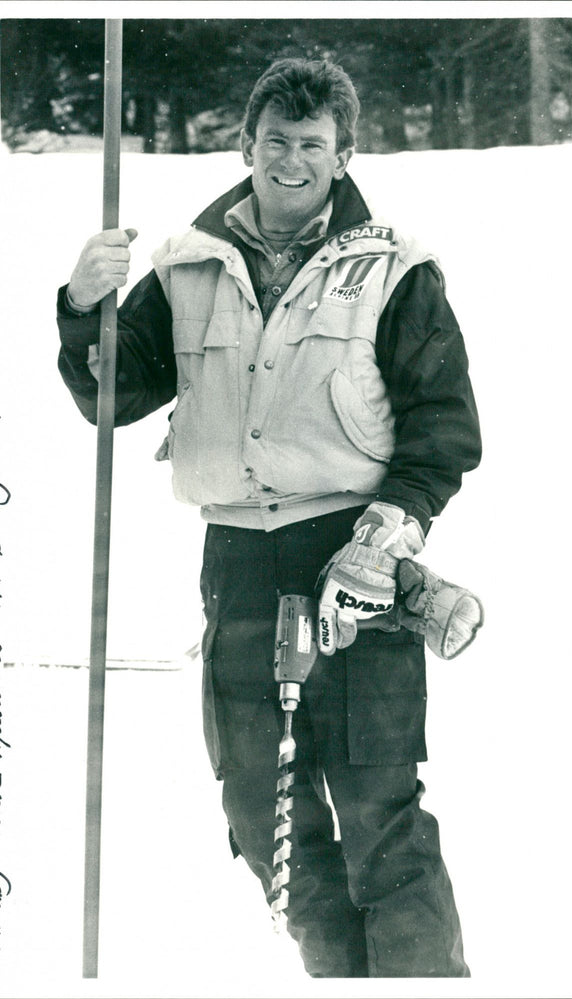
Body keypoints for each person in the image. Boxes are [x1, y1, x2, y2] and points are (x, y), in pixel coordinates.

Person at [57, 58, 481, 978]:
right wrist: (83, 306)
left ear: (344, 155)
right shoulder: (184, 265)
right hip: (239, 561)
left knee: (378, 811)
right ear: (246, 145)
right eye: (276, 141)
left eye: (312, 144)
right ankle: (342, 980)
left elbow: (443, 430)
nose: (292, 160)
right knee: (262, 814)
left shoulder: (395, 270)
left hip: (353, 561)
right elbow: (115, 390)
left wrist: (387, 536)